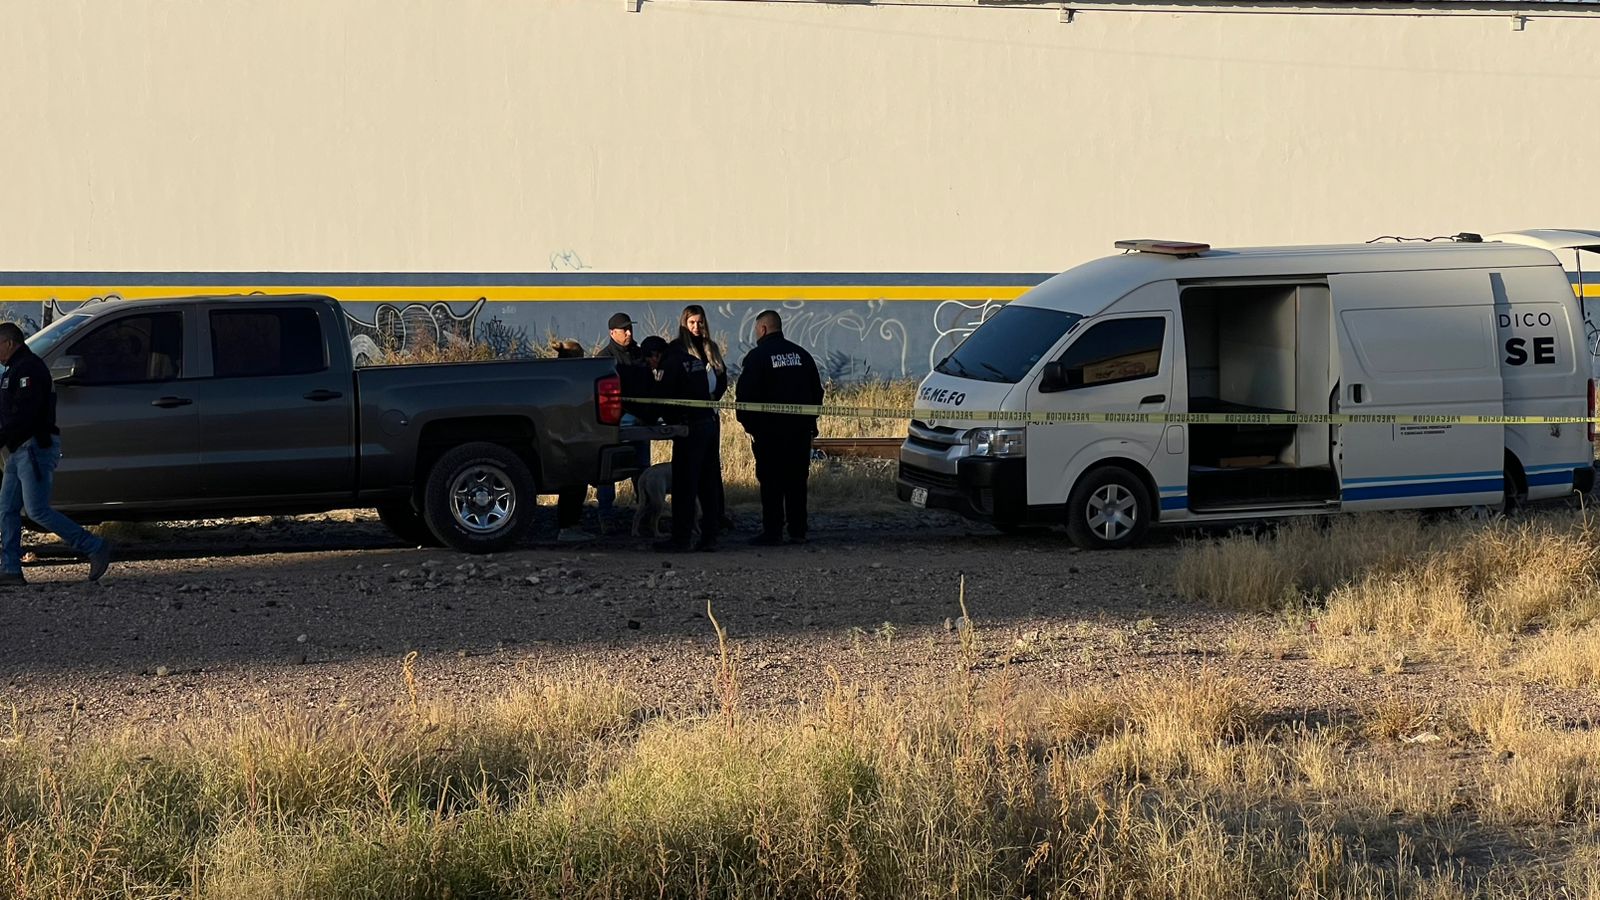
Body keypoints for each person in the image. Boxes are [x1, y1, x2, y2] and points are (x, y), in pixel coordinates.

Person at [0, 322, 112, 585]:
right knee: (7, 509)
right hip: (18, 450)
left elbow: (26, 415)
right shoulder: (13, 370)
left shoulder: (29, 369)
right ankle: (11, 569)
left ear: (8, 343)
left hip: (33, 448)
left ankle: (93, 546)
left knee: (37, 510)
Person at [735, 310, 824, 546]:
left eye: (757, 331)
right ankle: (798, 531)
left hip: (769, 434)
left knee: (771, 483)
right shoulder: (802, 355)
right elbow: (817, 392)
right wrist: (810, 423)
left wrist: (750, 426)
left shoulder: (757, 357)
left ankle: (772, 531)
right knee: (797, 482)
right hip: (799, 433)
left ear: (763, 329)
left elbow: (744, 395)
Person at [639, 335, 721, 553]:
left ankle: (681, 539)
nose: (652, 366)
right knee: (707, 485)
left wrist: (646, 417)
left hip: (690, 430)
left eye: (650, 362)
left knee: (684, 486)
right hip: (708, 425)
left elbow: (660, 399)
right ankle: (710, 537)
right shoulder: (691, 360)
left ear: (655, 354)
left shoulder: (669, 365)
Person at [668, 305, 733, 532]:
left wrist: (714, 396)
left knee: (710, 474)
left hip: (710, 417)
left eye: (700, 322)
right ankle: (685, 530)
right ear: (684, 324)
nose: (696, 327)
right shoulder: (677, 350)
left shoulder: (711, 348)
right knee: (687, 478)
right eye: (692, 322)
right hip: (689, 420)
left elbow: (722, 378)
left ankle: (712, 524)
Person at [597, 312, 648, 520]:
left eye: (630, 328)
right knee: (607, 470)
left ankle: (645, 513)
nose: (628, 333)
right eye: (624, 329)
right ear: (612, 332)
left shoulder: (640, 354)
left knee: (643, 468)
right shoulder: (604, 359)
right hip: (614, 423)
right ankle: (605, 516)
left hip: (641, 419)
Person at [550, 339, 596, 543]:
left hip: (559, 439)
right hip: (573, 439)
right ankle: (568, 527)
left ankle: (567, 525)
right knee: (575, 485)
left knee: (571, 485)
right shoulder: (573, 380)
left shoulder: (555, 379)